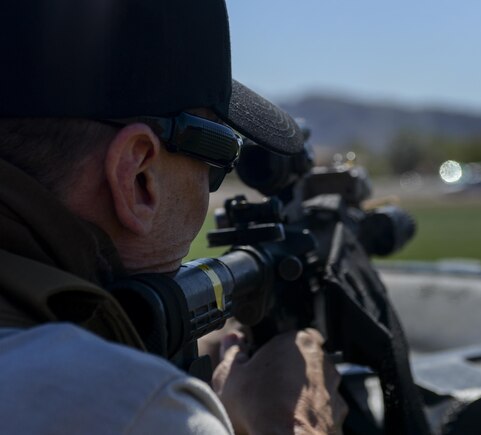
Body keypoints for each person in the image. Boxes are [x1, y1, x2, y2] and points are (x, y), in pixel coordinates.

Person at [0, 1, 346, 434]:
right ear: (139, 177)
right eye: (218, 162)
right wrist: (295, 423)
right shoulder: (134, 405)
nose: (211, 184)